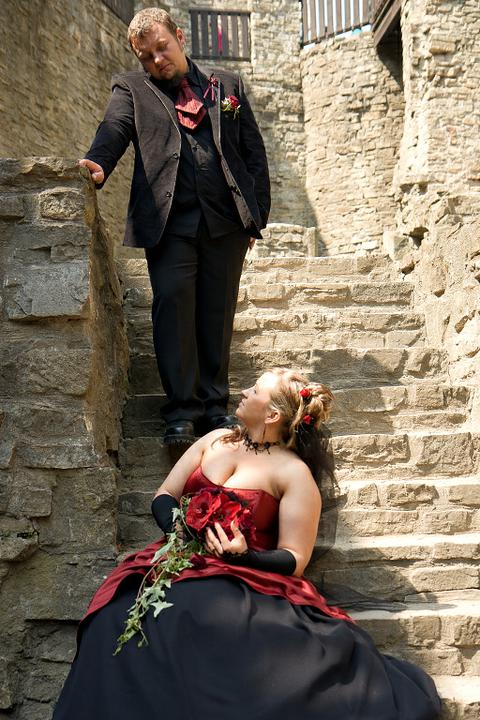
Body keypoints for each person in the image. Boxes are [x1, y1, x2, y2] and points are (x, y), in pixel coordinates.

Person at [53, 368, 441, 720]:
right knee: (113, 616)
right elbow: (165, 495)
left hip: (245, 575)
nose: (243, 392)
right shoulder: (214, 440)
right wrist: (182, 529)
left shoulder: (293, 473)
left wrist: (245, 554)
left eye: (254, 390)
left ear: (271, 414)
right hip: (179, 557)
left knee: (193, 616)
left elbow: (296, 557)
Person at [79, 7, 270, 445]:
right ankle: (181, 412)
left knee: (217, 313)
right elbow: (114, 127)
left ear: (179, 37)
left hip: (225, 222)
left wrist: (254, 217)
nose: (157, 60)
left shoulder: (228, 85)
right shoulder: (132, 88)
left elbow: (253, 155)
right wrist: (98, 161)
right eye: (146, 56)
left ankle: (215, 407)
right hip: (169, 224)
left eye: (162, 48)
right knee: (172, 308)